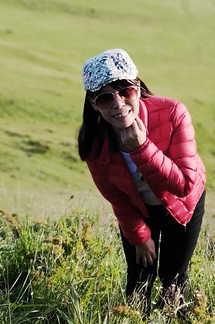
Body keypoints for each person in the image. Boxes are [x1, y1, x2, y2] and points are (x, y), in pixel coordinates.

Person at [78, 48, 206, 314]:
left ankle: (173, 317)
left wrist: (141, 148)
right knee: (139, 278)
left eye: (125, 91)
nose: (118, 104)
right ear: (93, 103)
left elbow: (184, 184)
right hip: (139, 210)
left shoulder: (173, 113)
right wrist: (139, 236)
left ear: (137, 86)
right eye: (104, 98)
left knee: (173, 278)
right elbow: (117, 197)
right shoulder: (93, 144)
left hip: (181, 206)